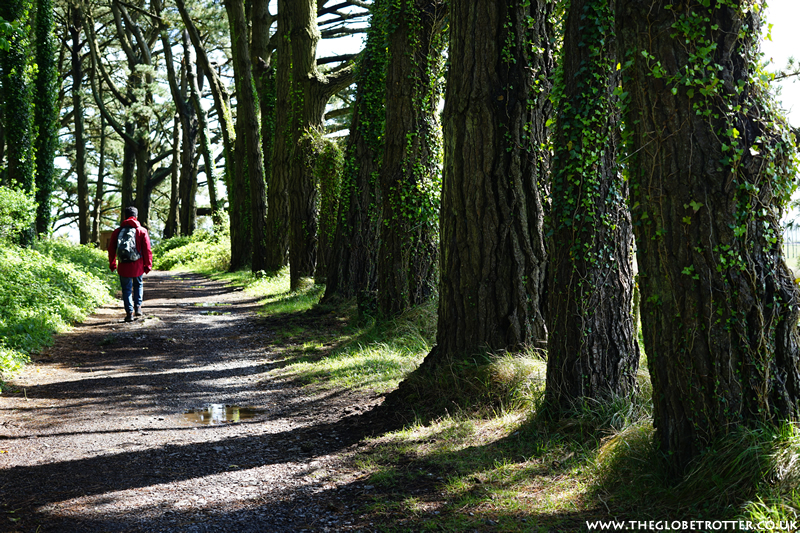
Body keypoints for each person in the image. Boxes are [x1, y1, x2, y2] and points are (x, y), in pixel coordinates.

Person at [108, 206, 153, 322]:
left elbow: (111, 249)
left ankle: (129, 313)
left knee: (126, 289)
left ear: (124, 217)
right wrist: (148, 265)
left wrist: (112, 263)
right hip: (137, 265)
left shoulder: (117, 232)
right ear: (136, 217)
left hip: (123, 265)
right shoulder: (142, 231)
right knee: (138, 284)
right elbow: (147, 249)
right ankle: (138, 307)